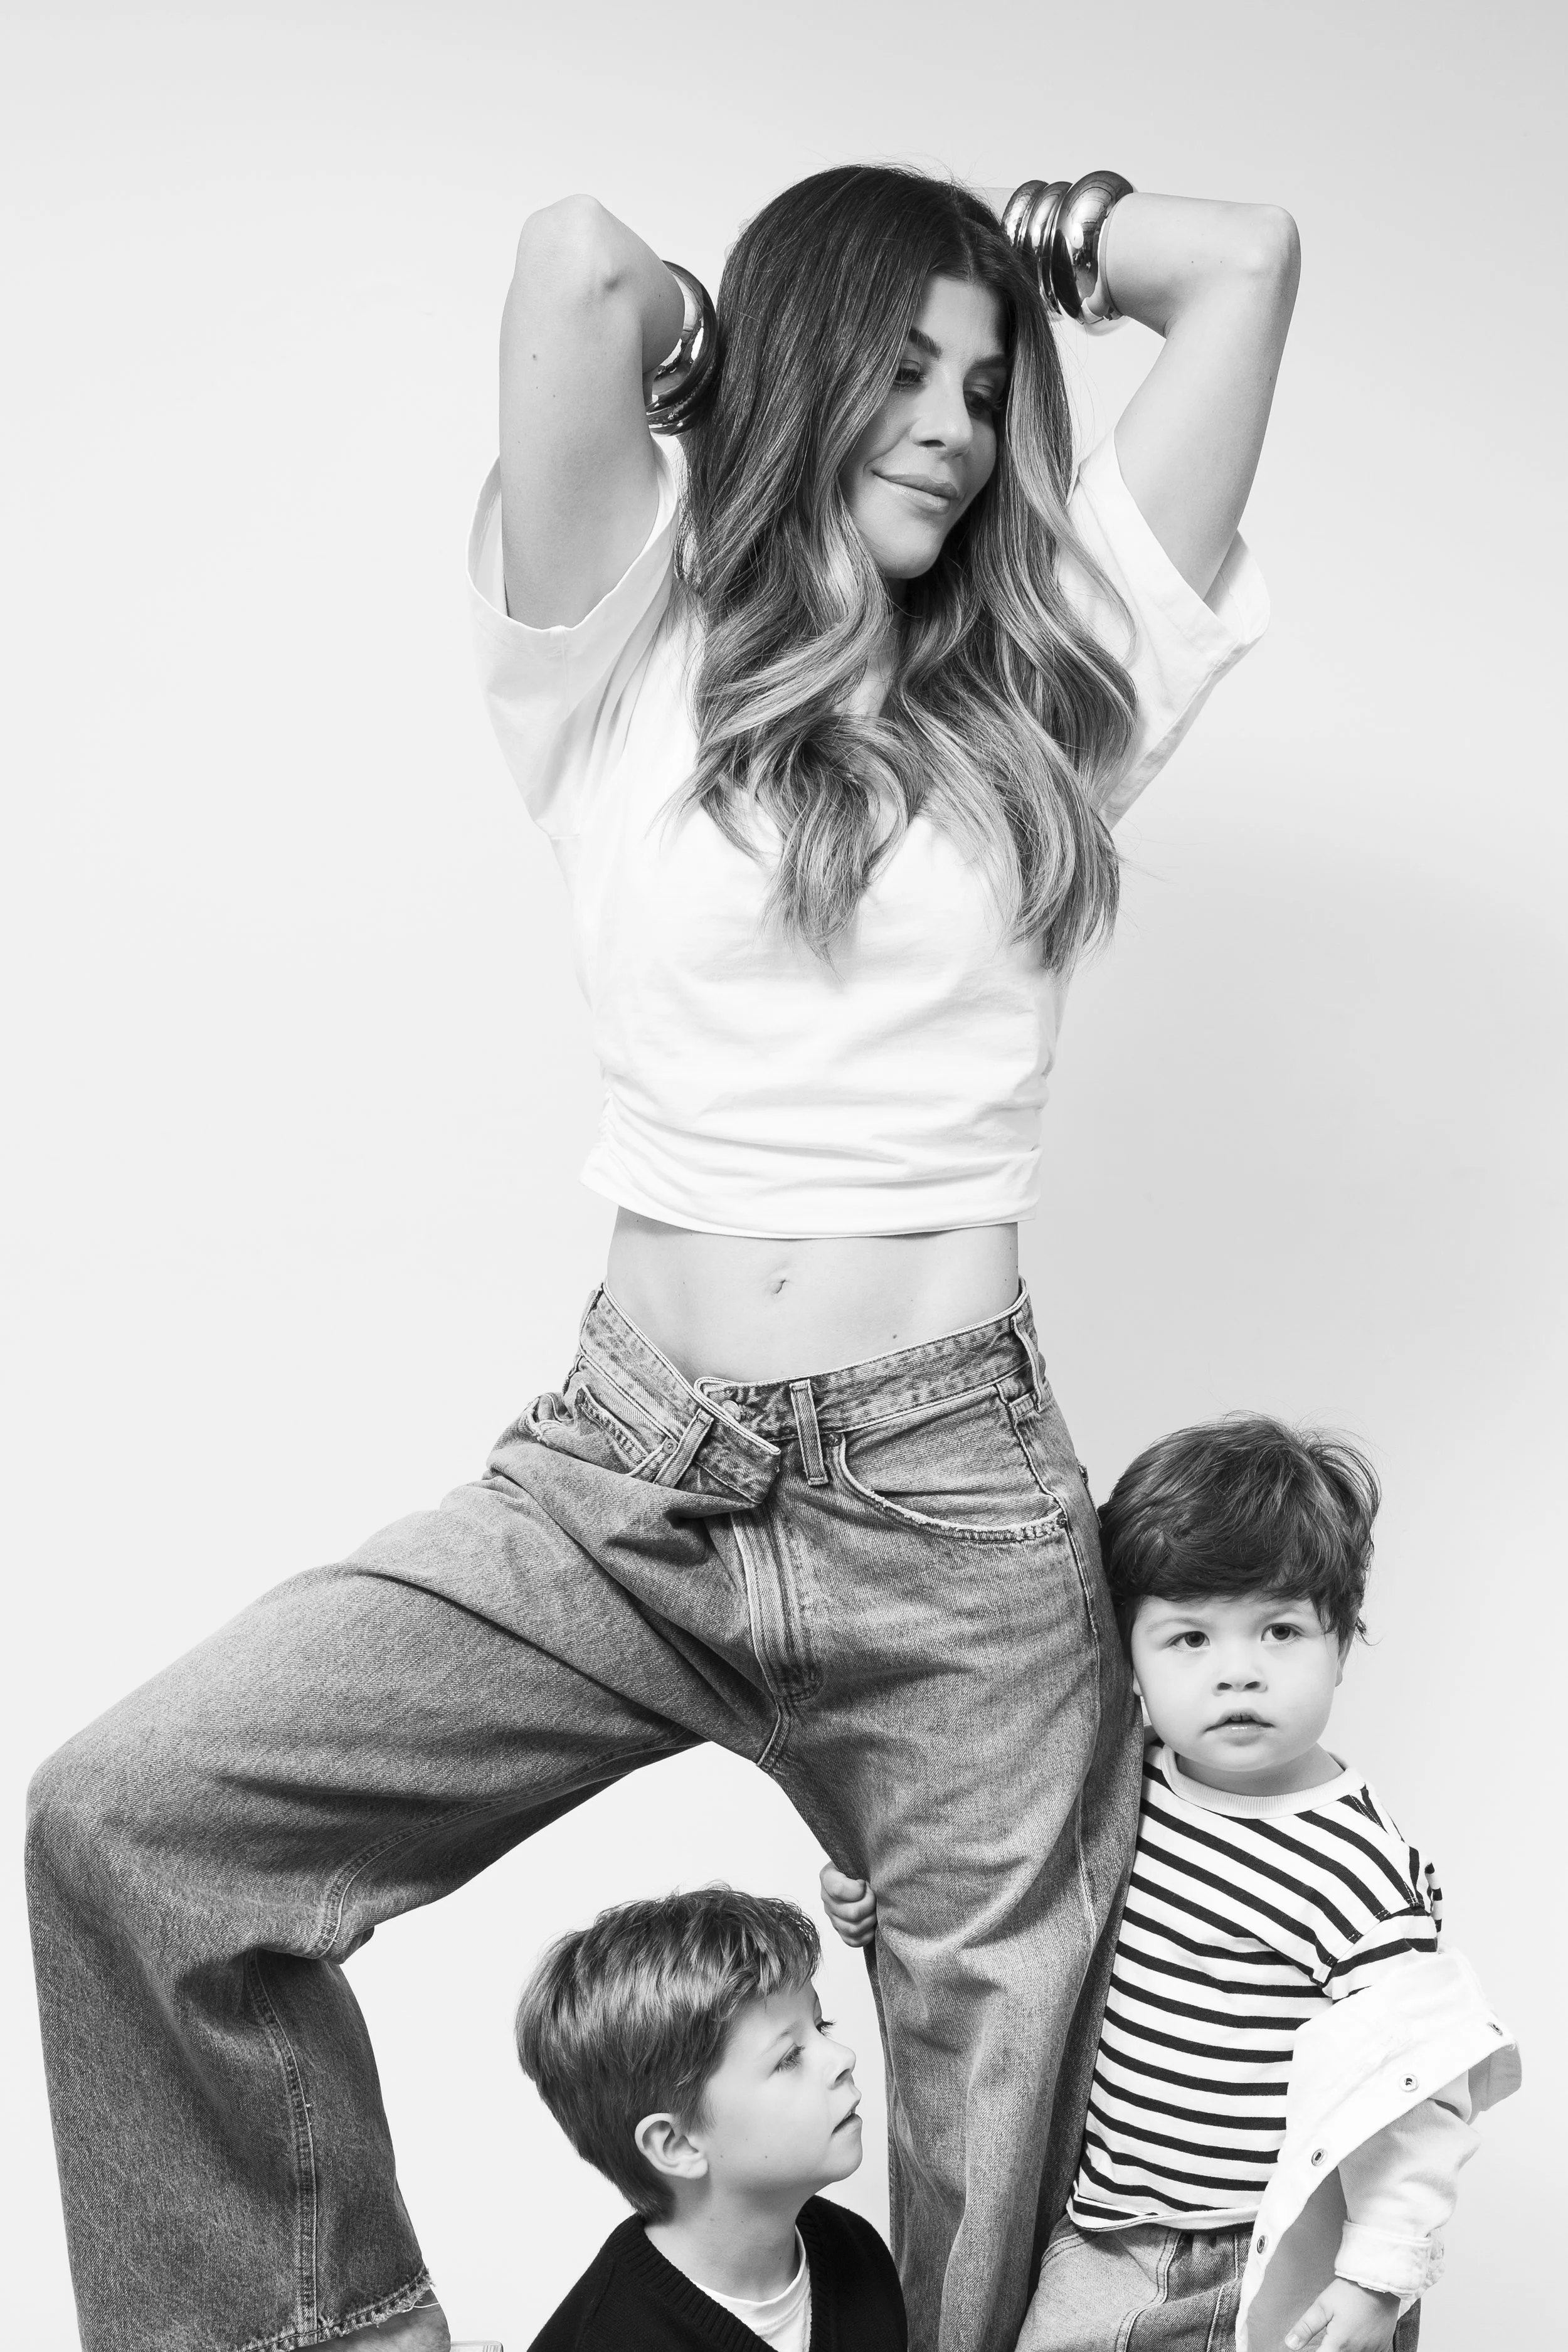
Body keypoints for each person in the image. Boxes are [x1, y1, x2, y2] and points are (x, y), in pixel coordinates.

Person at [26, 165, 1298, 2352]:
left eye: (989, 390)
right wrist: (775, 347)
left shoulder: (1055, 693)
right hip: (626, 1480)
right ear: (798, 374)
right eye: (900, 373)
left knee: (1024, 2117)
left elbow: (1245, 263)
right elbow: (579, 265)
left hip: (959, 1515)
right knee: (130, 1827)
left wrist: (1037, 244)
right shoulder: (614, 656)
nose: (958, 426)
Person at [822, 1417, 1520, 2352]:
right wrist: (884, 1889)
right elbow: (991, 1860)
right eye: (1190, 1637)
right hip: (1102, 2237)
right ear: (1131, 1662)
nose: (1239, 1670)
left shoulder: (1354, 1864)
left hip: (1263, 2258)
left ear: (1341, 1644)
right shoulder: (1122, 1785)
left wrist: (1376, 2275)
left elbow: (1420, 2087)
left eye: (1280, 1629)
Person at [515, 1886, 904, 2349]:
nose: (843, 2057)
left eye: (822, 2028)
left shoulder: (855, 2251)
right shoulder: (600, 2341)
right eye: (788, 2057)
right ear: (676, 2145)